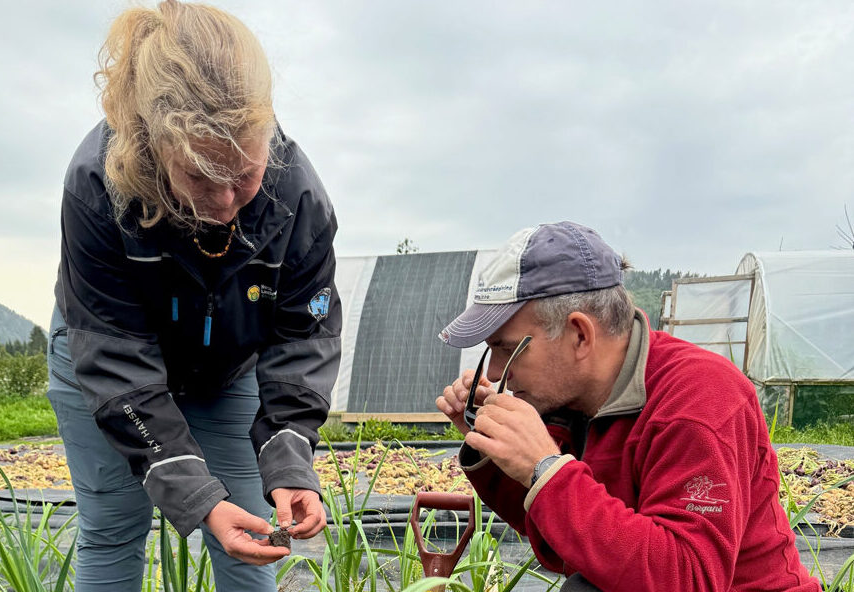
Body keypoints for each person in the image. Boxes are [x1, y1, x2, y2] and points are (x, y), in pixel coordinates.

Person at [46, 2, 340, 591]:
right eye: (203, 179)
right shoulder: (98, 188)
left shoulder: (297, 195)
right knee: (112, 529)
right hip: (105, 367)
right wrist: (198, 498)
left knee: (255, 533)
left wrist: (288, 460)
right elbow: (114, 358)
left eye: (246, 174)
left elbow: (303, 338)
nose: (228, 201)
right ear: (156, 149)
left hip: (227, 372)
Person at [435, 222, 820, 592]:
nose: (500, 372)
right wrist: (498, 452)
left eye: (508, 348)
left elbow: (687, 579)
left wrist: (546, 469)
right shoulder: (570, 397)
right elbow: (566, 540)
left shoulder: (698, 399)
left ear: (580, 334)